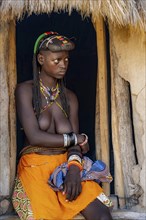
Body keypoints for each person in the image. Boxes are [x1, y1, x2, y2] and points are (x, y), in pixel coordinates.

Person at [12, 31, 113, 220]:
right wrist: (76, 138)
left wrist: (74, 169)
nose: (63, 65)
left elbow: (76, 146)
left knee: (102, 216)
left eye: (66, 60)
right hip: (35, 167)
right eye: (57, 60)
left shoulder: (70, 98)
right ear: (41, 59)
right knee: (46, 216)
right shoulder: (24, 91)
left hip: (67, 164)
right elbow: (35, 136)